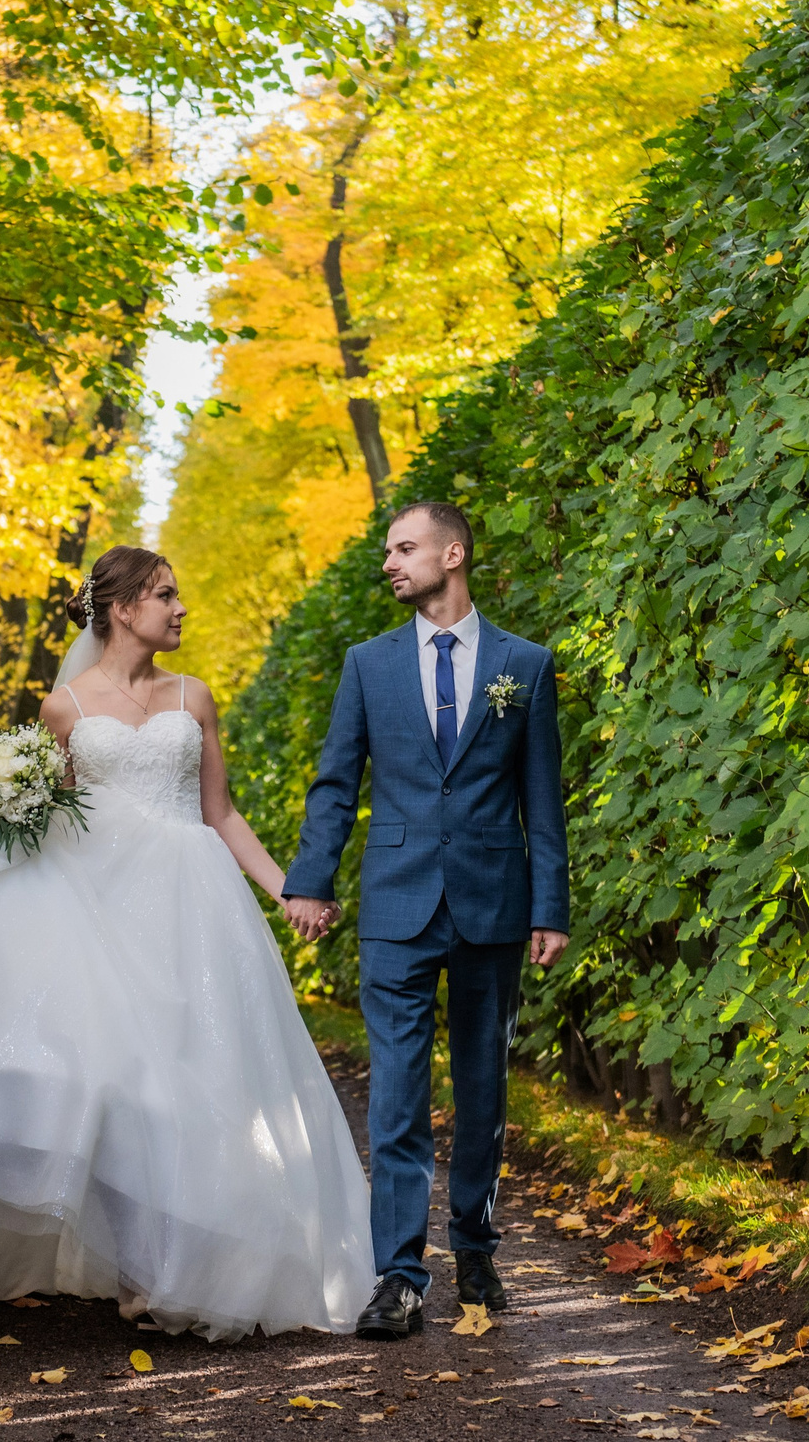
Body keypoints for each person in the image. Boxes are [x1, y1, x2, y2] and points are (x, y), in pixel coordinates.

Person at [0, 546, 373, 1340]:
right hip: (96, 912)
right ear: (122, 609)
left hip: (192, 910)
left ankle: (173, 1264)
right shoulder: (65, 709)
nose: (180, 607)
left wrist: (287, 889)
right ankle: (138, 1260)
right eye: (166, 593)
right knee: (118, 1084)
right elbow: (47, 818)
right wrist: (5, 808)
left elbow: (219, 813)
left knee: (197, 1075)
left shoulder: (195, 697)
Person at [282, 501, 571, 1339]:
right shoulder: (366, 664)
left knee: (483, 1095)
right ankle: (401, 1276)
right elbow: (336, 782)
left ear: (454, 553)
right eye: (386, 551)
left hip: (494, 904)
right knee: (398, 1099)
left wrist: (549, 906)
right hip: (397, 904)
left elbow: (541, 801)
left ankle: (477, 1247)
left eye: (403, 548)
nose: (390, 564)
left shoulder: (528, 664)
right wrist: (312, 877)